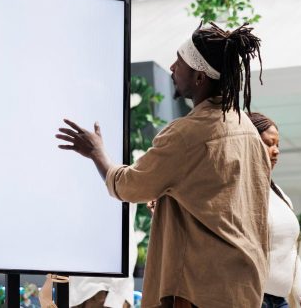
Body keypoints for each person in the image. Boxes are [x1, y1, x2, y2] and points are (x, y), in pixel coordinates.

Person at [56, 23, 271, 307]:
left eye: (179, 63)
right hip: (244, 287)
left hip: (197, 290)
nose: (172, 68)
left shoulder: (187, 133)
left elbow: (128, 186)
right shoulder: (247, 130)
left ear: (199, 77)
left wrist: (97, 153)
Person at [248, 112, 301, 308]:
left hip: (279, 300)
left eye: (277, 145)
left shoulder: (281, 196)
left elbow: (291, 252)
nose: (276, 151)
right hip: (252, 298)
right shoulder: (239, 194)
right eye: (268, 144)